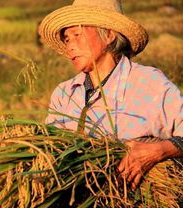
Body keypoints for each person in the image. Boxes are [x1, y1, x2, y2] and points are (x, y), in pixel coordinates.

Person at [38, 0, 183, 191]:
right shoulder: (65, 94)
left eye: (77, 35)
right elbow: (49, 150)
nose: (70, 46)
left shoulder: (149, 83)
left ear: (108, 35)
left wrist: (157, 151)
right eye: (66, 39)